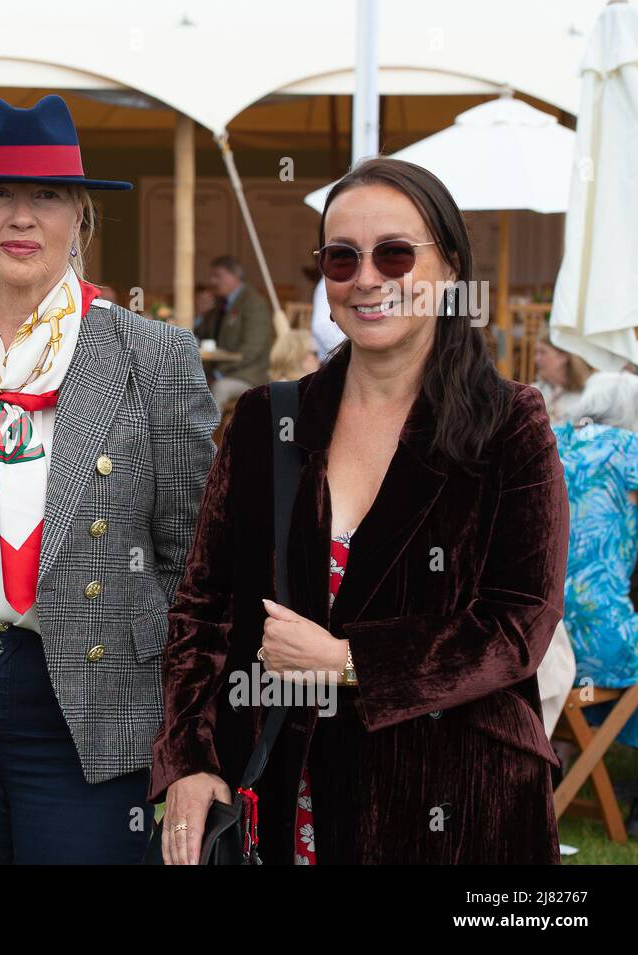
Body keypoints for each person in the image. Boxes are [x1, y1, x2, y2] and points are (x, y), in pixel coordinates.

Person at [154, 157, 568, 865]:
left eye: (396, 253)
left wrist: (351, 661)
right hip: (288, 797)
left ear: (449, 269)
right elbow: (203, 609)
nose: (367, 278)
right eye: (341, 258)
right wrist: (190, 758)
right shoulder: (266, 421)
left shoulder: (509, 424)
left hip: (459, 806)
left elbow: (516, 624)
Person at [0, 94, 217, 863]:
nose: (21, 217)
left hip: (93, 710)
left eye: (47, 195)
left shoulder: (153, 357)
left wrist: (193, 740)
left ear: (80, 219)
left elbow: (196, 570)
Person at [554, 372, 638, 762]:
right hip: (599, 640)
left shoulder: (554, 439)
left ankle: (562, 755)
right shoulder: (629, 449)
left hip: (544, 640)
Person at [199, 255, 273, 406]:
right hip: (218, 370)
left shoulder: (253, 303)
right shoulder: (219, 302)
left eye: (218, 276)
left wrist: (219, 373)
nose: (213, 281)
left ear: (235, 276)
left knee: (219, 388)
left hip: (248, 375)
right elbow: (203, 337)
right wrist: (199, 314)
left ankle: (208, 430)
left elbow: (251, 351)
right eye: (212, 276)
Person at [533, 337, 592, 426]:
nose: (537, 359)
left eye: (543, 352)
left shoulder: (586, 395)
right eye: (536, 353)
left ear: (563, 356)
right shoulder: (534, 392)